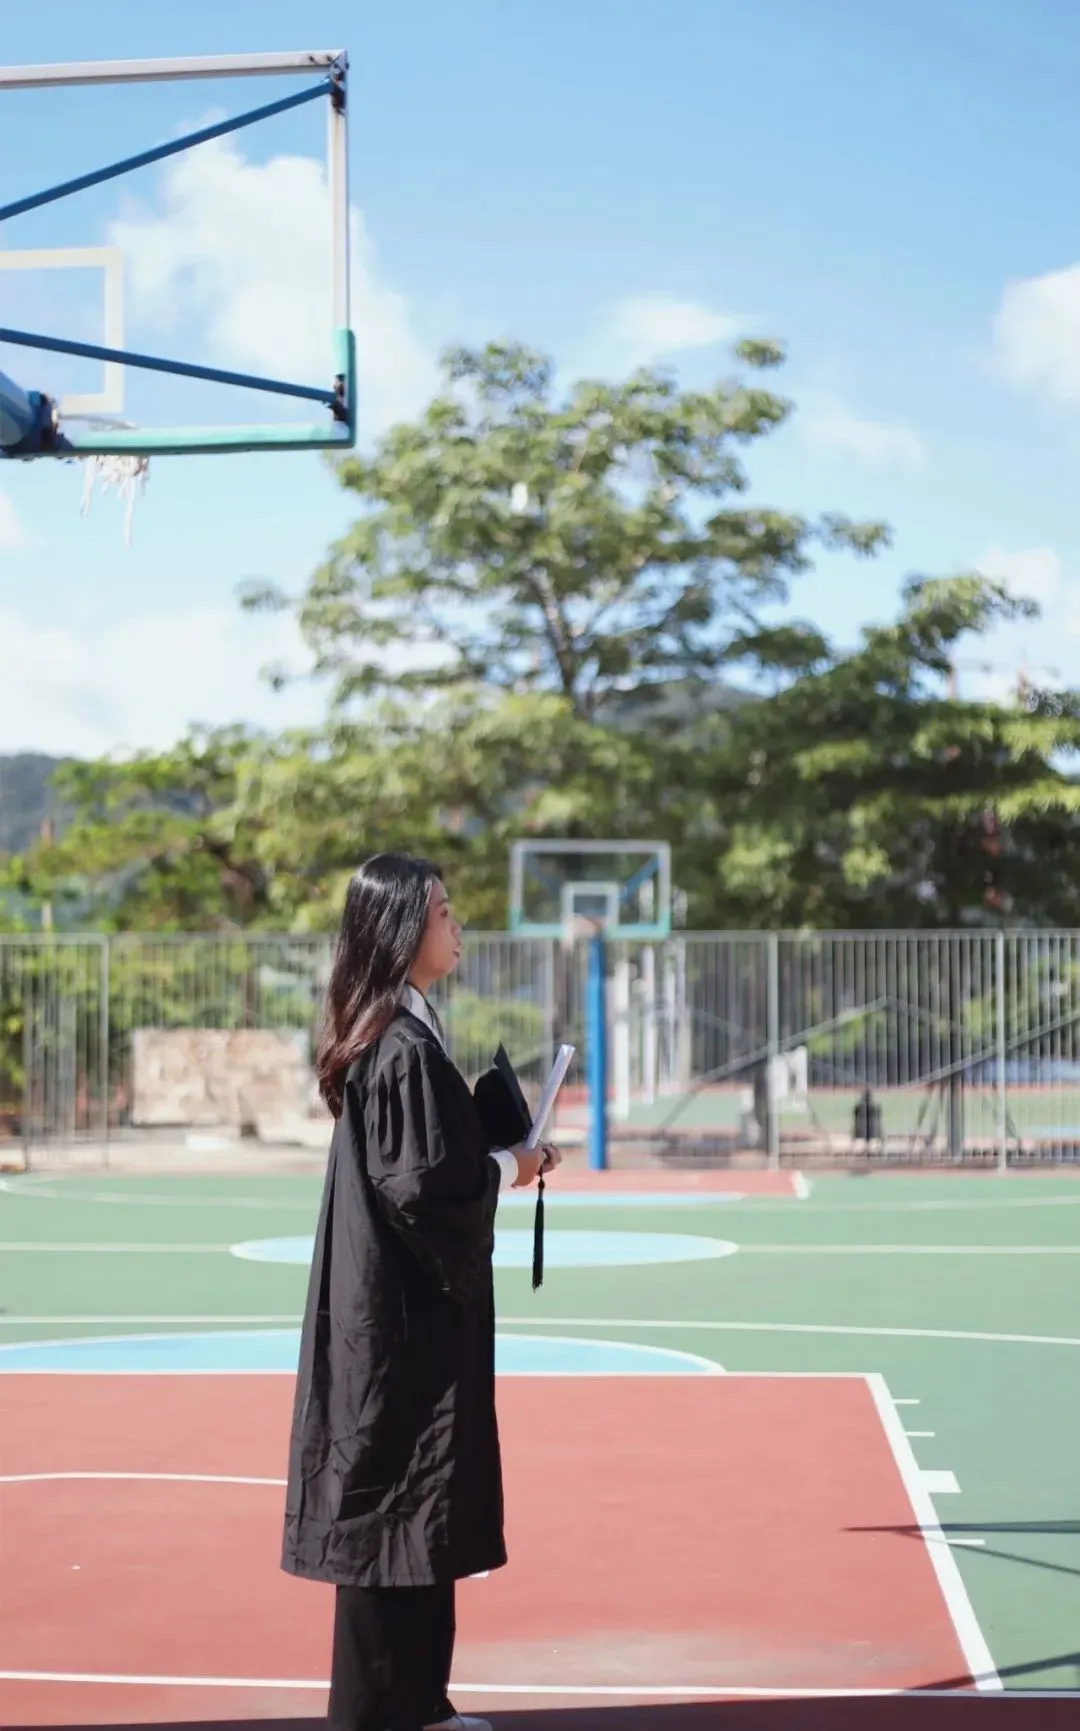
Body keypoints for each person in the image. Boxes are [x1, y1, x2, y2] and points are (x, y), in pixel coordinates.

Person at [281, 853, 561, 1731]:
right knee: (385, 1510)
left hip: (416, 1312)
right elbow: (422, 1189)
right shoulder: (398, 1046)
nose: (457, 923)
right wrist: (508, 1163)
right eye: (442, 911)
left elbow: (426, 1161)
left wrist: (493, 1141)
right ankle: (375, 1713)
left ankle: (422, 1703)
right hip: (394, 1320)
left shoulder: (409, 1032)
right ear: (403, 928)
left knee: (425, 1502)